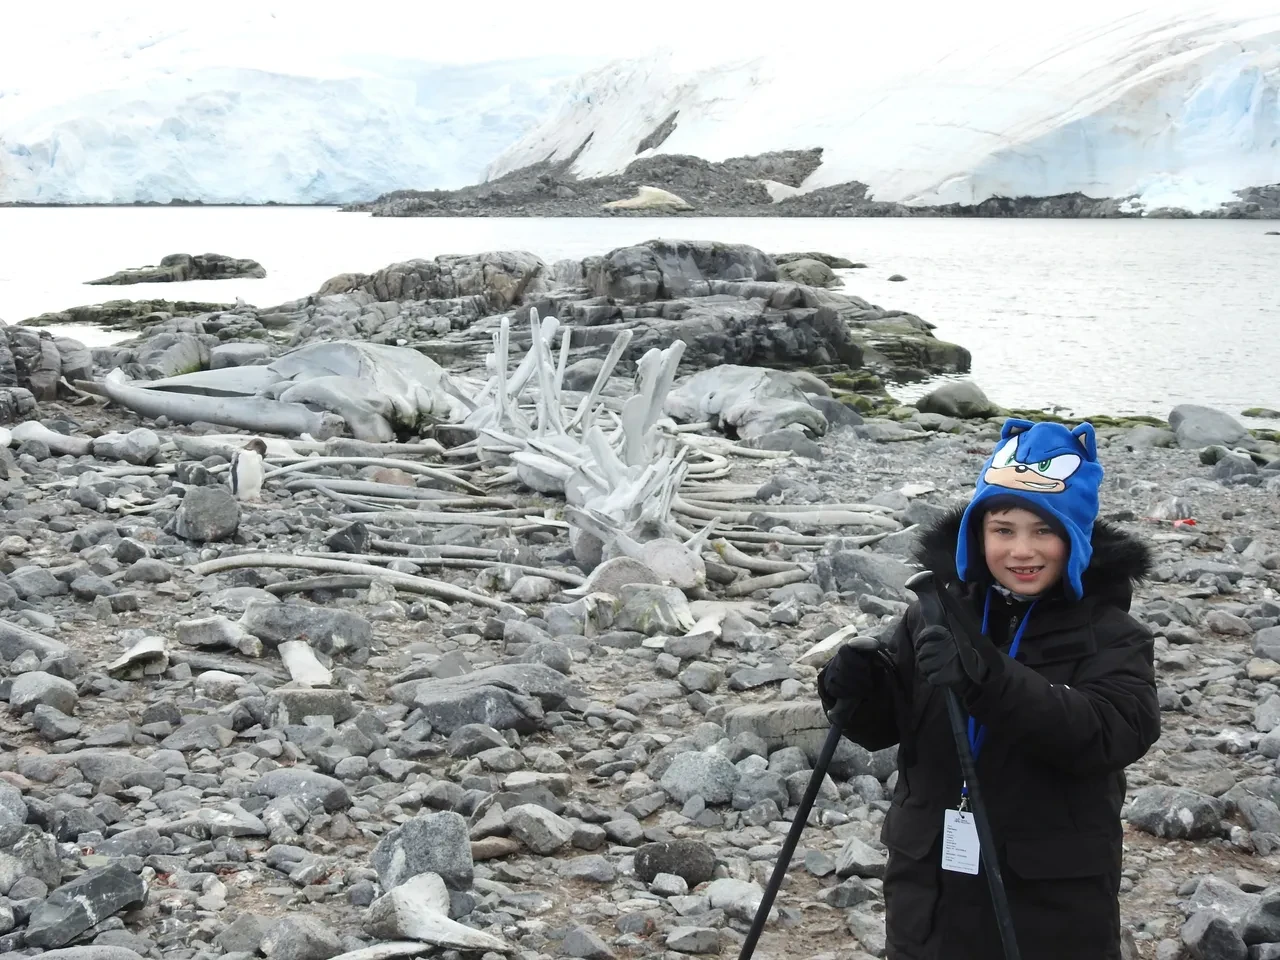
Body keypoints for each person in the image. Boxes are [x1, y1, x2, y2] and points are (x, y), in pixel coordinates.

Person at [818, 417, 1160, 960]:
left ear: (1074, 536)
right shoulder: (935, 613)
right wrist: (854, 689)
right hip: (929, 885)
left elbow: (1107, 732)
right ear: (977, 536)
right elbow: (884, 728)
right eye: (1003, 530)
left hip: (1048, 903)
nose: (1022, 550)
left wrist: (987, 678)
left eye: (1043, 530)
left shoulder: (1112, 635)